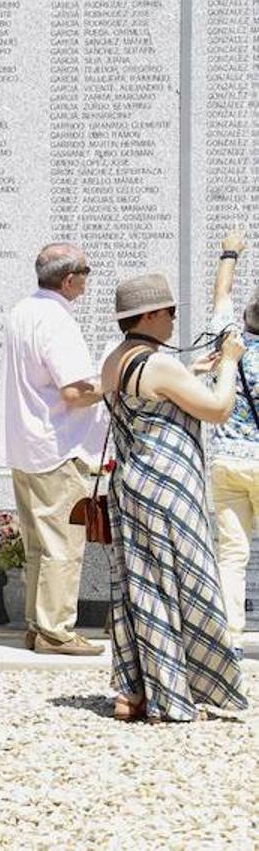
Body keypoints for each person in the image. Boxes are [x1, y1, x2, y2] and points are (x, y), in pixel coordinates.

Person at [100, 273, 249, 722]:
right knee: (184, 588)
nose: (172, 321)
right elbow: (219, 408)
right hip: (169, 489)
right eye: (169, 313)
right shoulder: (161, 366)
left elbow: (155, 393)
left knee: (138, 588)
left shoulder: (114, 359)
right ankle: (172, 699)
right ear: (148, 315)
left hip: (130, 486)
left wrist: (194, 371)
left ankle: (133, 692)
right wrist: (228, 363)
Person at [0, 243, 105, 656]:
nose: (89, 279)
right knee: (63, 544)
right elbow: (74, 390)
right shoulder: (57, 320)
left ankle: (38, 626)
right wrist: (114, 382)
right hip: (58, 445)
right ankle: (57, 631)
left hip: (26, 445)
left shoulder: (21, 312)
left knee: (38, 544)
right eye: (87, 272)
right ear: (70, 279)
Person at [204, 228, 257, 659]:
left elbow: (221, 294)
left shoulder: (228, 340)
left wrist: (230, 253)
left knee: (232, 553)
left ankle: (231, 637)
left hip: (226, 460)